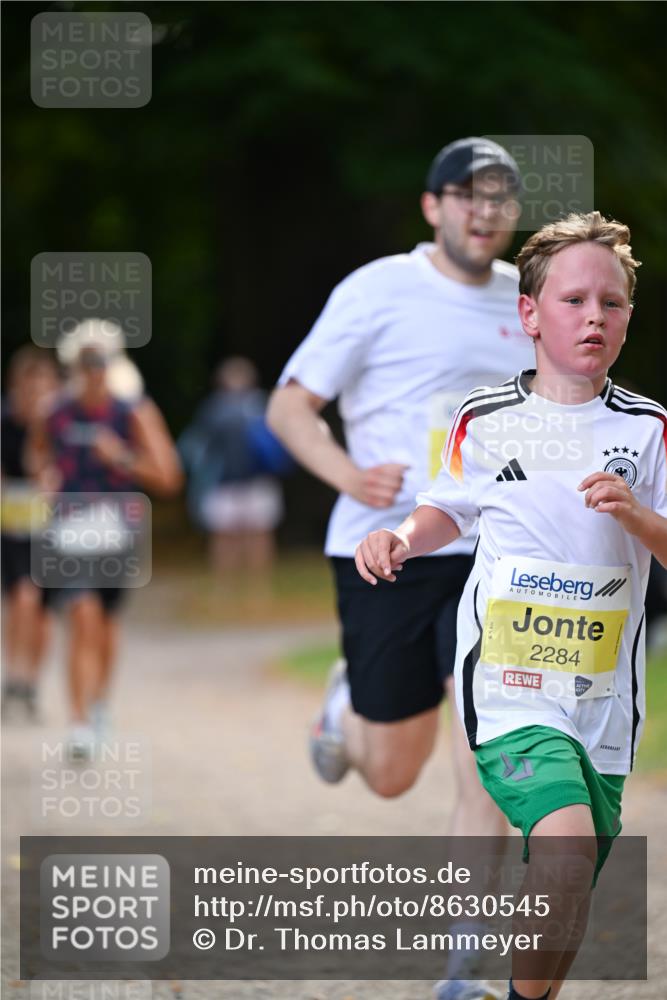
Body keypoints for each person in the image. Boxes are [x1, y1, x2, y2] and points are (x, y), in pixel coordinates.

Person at [355, 211, 666, 1000]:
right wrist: (400, 536)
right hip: (510, 689)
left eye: (612, 303)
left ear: (629, 317)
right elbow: (448, 510)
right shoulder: (483, 419)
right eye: (572, 300)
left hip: (603, 702)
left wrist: (634, 516)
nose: (593, 316)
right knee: (560, 855)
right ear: (528, 313)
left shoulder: (650, 429)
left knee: (569, 885)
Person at [268, 137, 533, 811]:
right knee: (391, 773)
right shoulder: (376, 289)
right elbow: (289, 406)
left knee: (485, 740)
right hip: (386, 547)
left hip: (494, 550)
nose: (485, 209)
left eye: (501, 196)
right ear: (430, 207)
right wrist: (349, 476)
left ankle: (468, 919)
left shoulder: (525, 299)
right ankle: (345, 708)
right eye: (467, 194)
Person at [32, 320, 183, 759]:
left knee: (107, 624)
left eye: (100, 361)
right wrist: (45, 475)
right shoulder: (54, 413)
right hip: (69, 529)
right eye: (85, 360)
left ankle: (98, 704)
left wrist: (120, 457)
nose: (93, 369)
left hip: (117, 529)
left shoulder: (132, 412)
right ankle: (77, 721)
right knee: (81, 615)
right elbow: (38, 454)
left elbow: (169, 476)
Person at [178, 356, 287, 576]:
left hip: (257, 480)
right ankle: (227, 583)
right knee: (225, 534)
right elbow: (198, 444)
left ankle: (258, 584)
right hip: (224, 481)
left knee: (259, 533)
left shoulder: (260, 405)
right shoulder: (214, 409)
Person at [1, 346, 60, 719]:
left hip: (51, 525)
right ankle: (15, 674)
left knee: (43, 611)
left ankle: (32, 681)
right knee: (22, 597)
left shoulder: (60, 425)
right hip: (13, 524)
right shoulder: (5, 421)